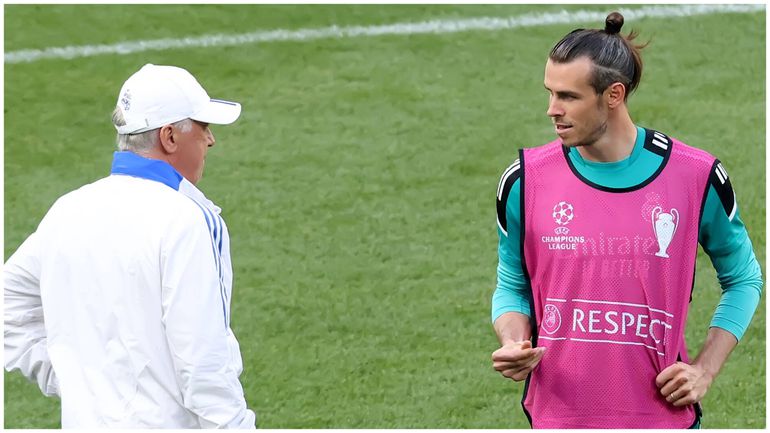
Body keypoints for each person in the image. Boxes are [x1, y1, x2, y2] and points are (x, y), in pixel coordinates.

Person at [491, 12, 762, 429]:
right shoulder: (525, 180)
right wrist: (513, 341)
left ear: (613, 94)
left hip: (660, 417)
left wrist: (704, 370)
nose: (552, 110)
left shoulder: (695, 176)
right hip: (558, 417)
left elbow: (744, 278)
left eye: (568, 96)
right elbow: (512, 282)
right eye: (550, 93)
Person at [4, 64, 257, 428]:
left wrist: (73, 381)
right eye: (203, 126)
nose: (211, 139)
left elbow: (8, 302)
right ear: (169, 137)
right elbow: (204, 361)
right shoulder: (186, 219)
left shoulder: (68, 209)